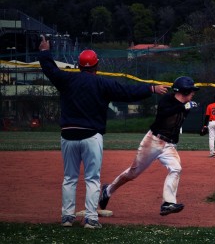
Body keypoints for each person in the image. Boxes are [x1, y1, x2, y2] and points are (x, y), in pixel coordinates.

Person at [38, 35, 168, 229]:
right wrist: (151, 88)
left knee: (69, 178)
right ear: (96, 66)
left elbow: (50, 70)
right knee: (92, 179)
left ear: (79, 66)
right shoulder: (102, 84)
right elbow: (128, 92)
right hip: (91, 136)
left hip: (68, 135)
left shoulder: (67, 80)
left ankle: (66, 217)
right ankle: (90, 219)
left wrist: (44, 52)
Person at [98, 76, 199, 216]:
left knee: (176, 169)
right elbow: (164, 114)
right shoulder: (167, 100)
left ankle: (168, 203)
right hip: (153, 141)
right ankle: (107, 190)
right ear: (184, 90)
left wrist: (185, 108)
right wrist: (183, 106)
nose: (193, 93)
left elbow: (175, 124)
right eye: (191, 90)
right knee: (133, 173)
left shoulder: (185, 106)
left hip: (168, 144)